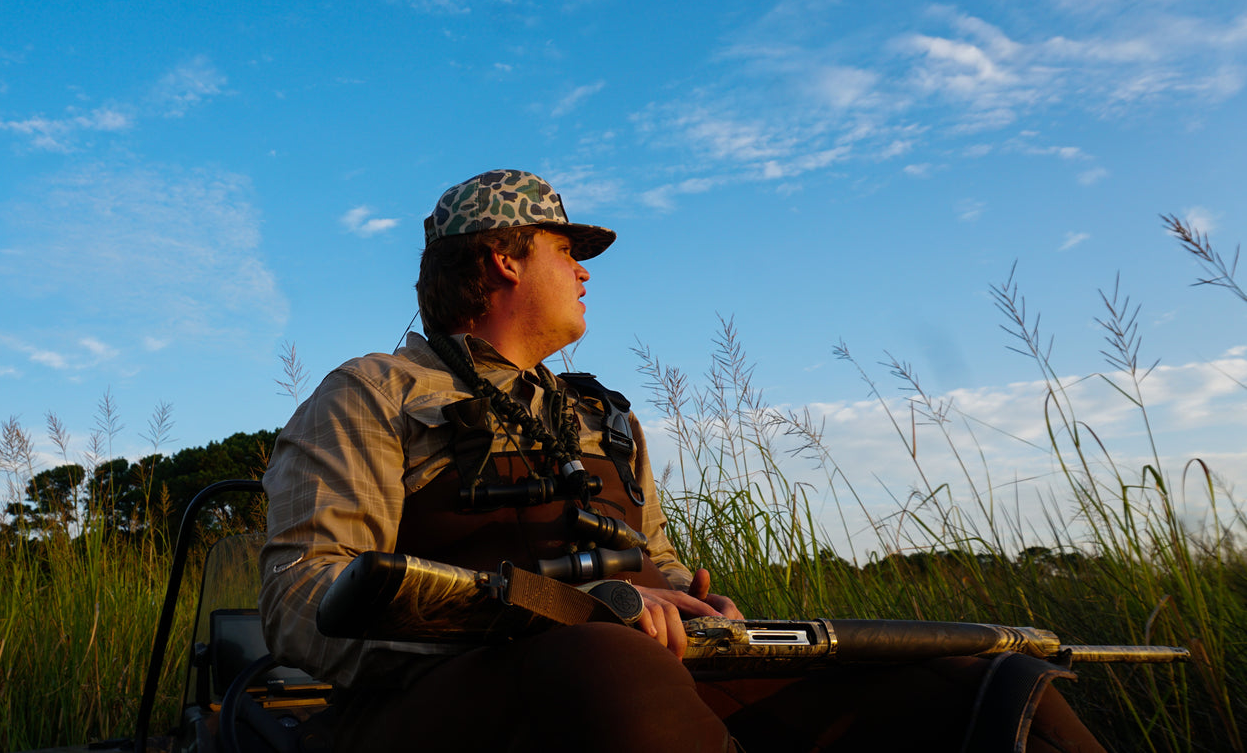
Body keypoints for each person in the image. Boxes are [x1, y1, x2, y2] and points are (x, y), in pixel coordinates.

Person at [258, 169, 1104, 752]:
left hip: (633, 680)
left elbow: (650, 564)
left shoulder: (604, 417)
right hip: (430, 710)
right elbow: (304, 598)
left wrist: (692, 601)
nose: (584, 271)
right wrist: (568, 614)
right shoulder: (371, 392)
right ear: (503, 258)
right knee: (606, 660)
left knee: (972, 679)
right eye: (565, 249)